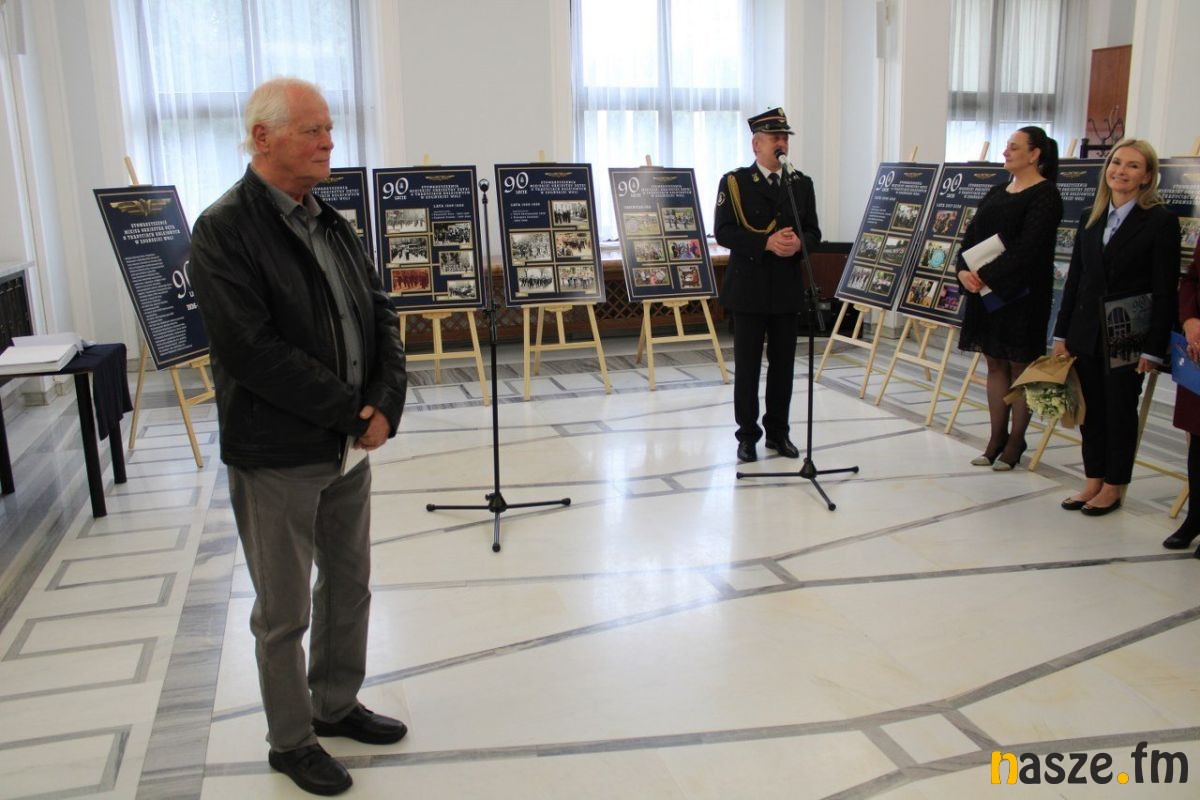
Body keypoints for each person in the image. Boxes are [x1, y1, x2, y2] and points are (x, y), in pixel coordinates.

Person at [190, 77, 408, 796]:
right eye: (312, 130)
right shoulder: (224, 229)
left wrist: (386, 402)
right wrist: (352, 413)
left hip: (346, 447)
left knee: (349, 584)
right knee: (284, 612)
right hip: (278, 452)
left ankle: (335, 704)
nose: (328, 142)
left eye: (329, 128)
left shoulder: (331, 222)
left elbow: (379, 313)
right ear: (263, 138)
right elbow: (251, 351)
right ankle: (291, 741)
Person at [1053, 139, 1180, 516]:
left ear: (1147, 177)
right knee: (1089, 411)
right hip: (1085, 333)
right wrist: (1061, 334)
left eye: (1132, 166)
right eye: (1116, 162)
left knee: (1120, 412)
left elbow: (1164, 292)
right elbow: (1074, 281)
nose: (1121, 171)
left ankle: (1114, 486)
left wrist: (1153, 348)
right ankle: (1093, 479)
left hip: (1128, 336)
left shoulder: (1161, 222)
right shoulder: (1090, 218)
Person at [715, 108, 821, 463]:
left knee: (783, 368)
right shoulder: (735, 183)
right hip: (748, 290)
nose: (782, 143)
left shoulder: (801, 184)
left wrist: (799, 244)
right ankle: (747, 436)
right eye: (776, 137)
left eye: (785, 137)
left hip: (786, 290)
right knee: (747, 368)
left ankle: (778, 432)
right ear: (756, 144)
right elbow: (724, 232)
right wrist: (765, 243)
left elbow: (814, 231)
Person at [957, 126, 1063, 470]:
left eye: (1014, 147)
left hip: (1023, 296)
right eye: (1007, 146)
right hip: (986, 294)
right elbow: (971, 236)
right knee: (994, 363)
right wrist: (963, 270)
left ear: (1035, 154)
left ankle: (1016, 441)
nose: (1006, 152)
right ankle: (995, 439)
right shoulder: (996, 191)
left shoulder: (1046, 195)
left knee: (1020, 366)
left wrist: (983, 275)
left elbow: (1028, 248)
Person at [1163, 248, 1200, 554]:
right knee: (1198, 438)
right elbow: (1191, 279)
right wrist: (1189, 318)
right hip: (1197, 347)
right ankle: (1195, 517)